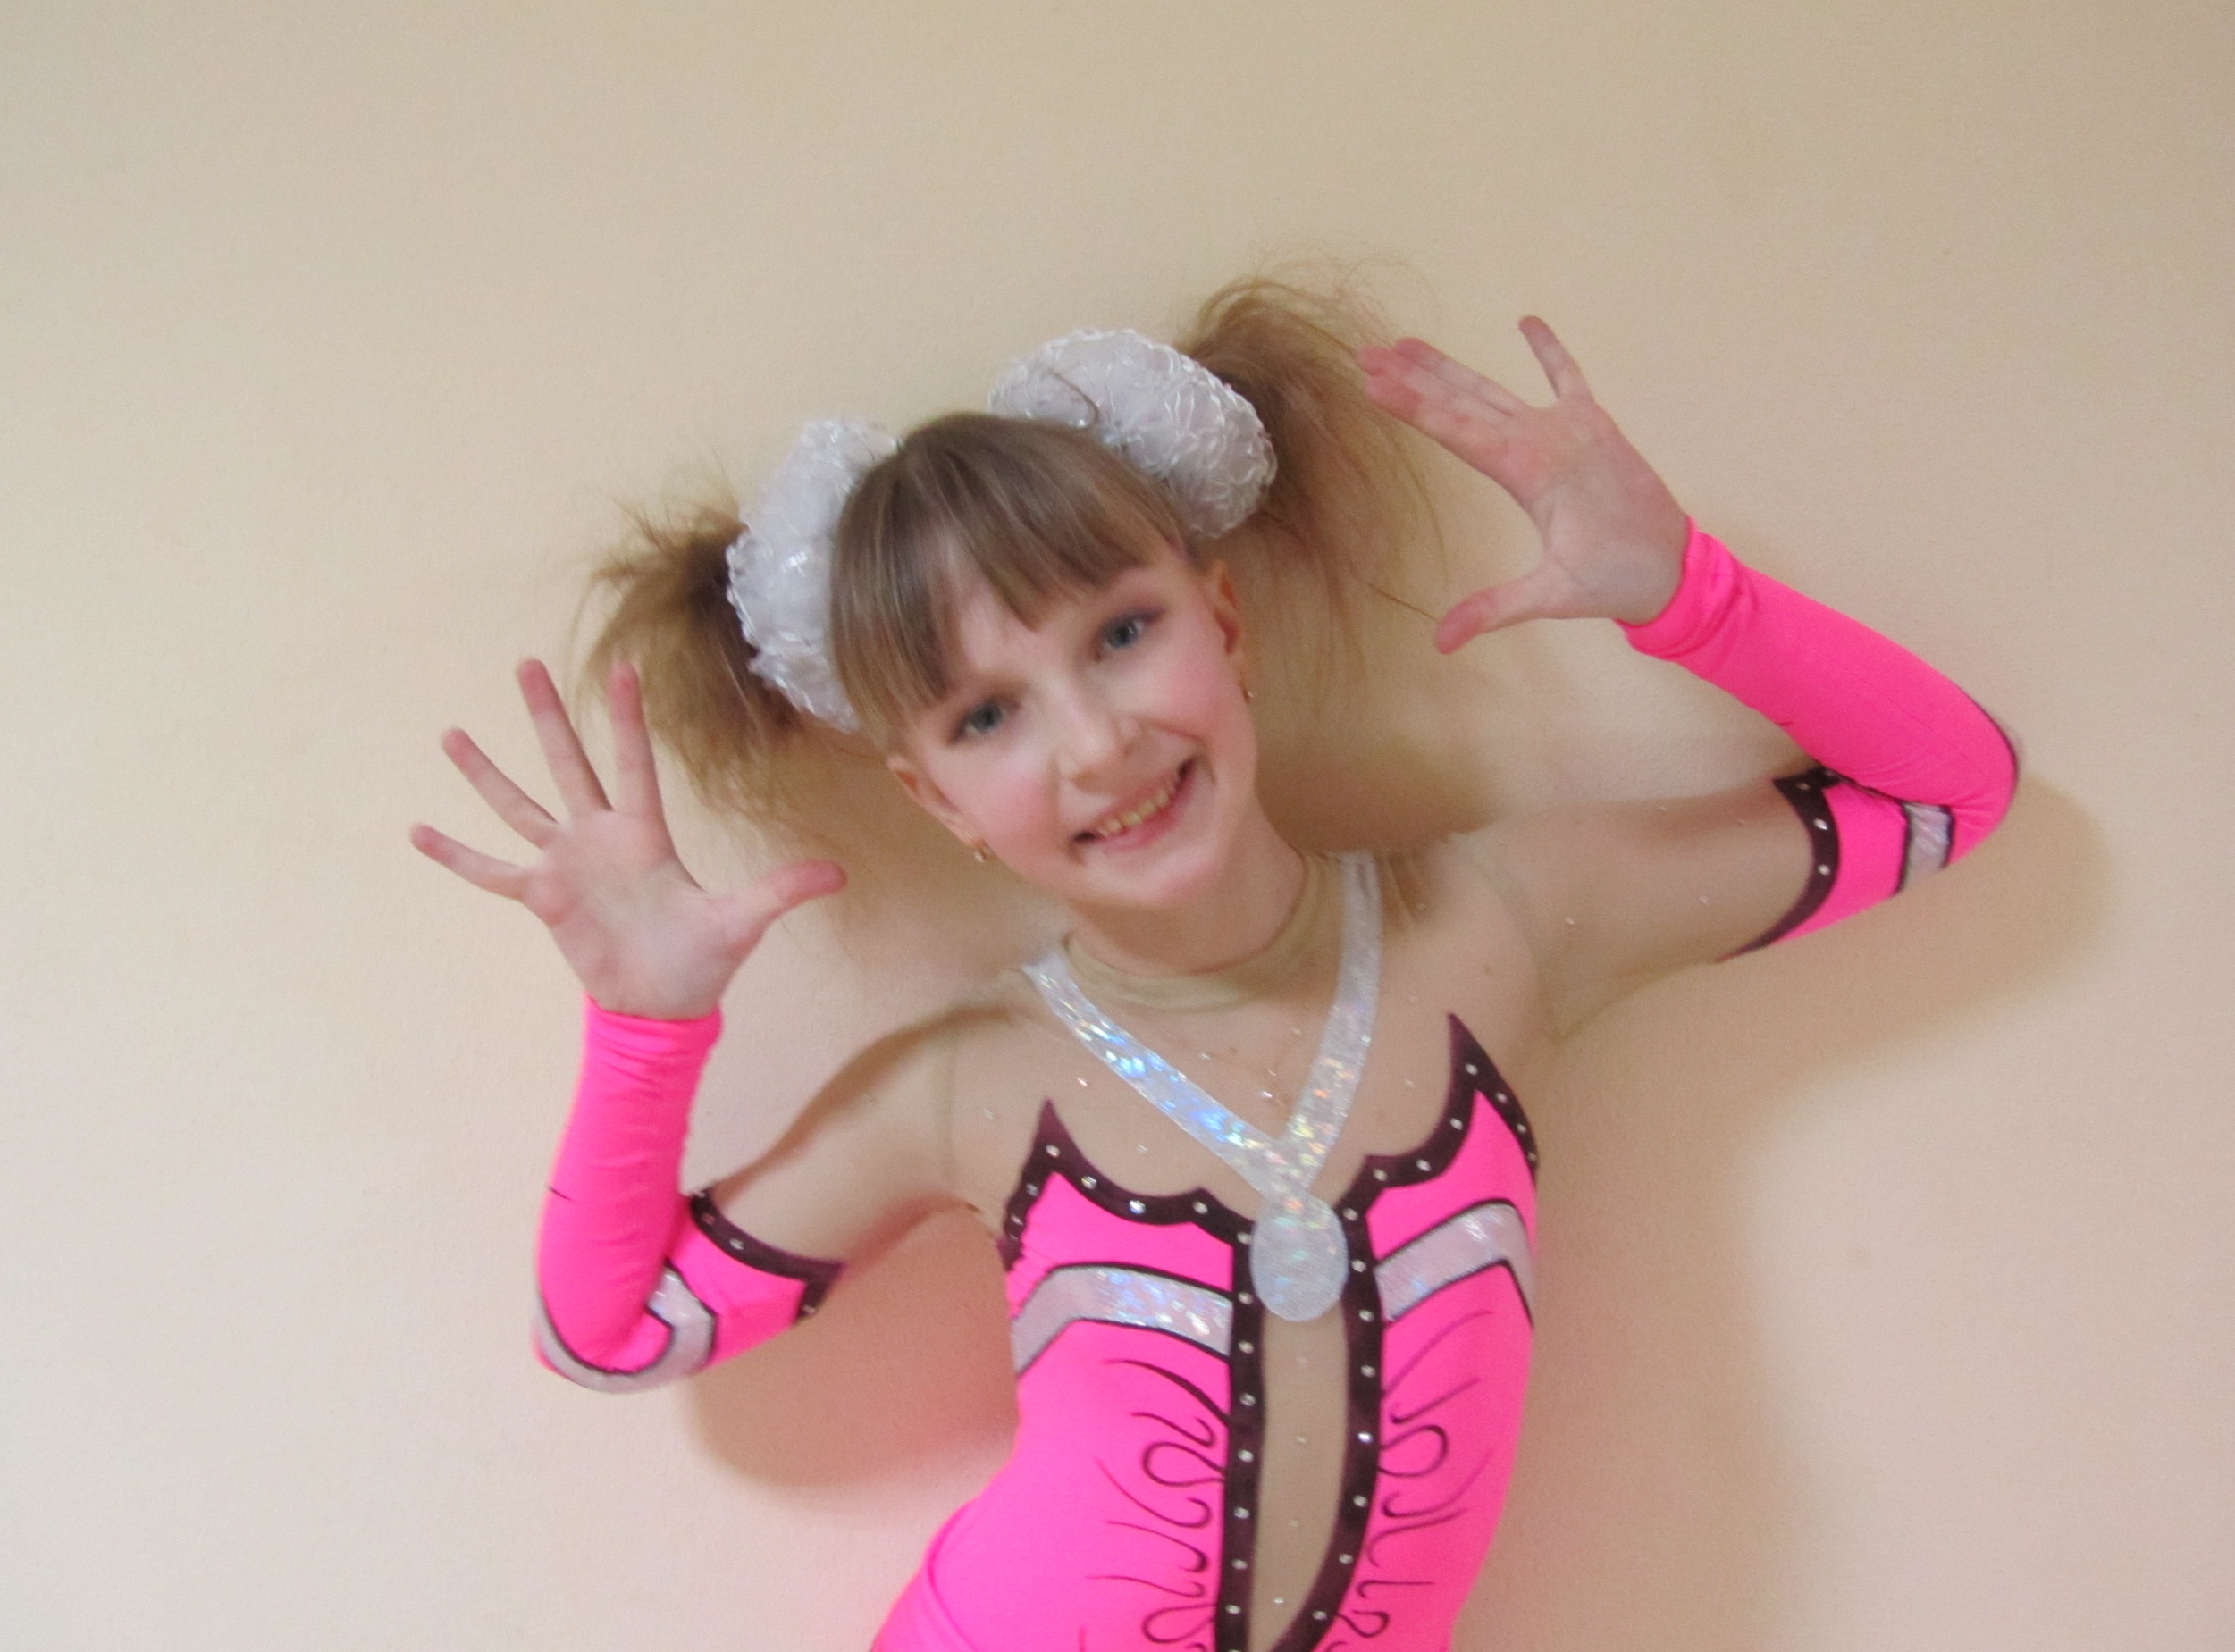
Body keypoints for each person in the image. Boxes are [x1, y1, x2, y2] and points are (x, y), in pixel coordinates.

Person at [412, 281, 2017, 1652]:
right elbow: (610, 1332)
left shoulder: (1504, 925)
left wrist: (1691, 597)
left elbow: (1949, 798)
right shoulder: (963, 1082)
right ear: (934, 797)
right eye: (988, 716)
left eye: (1122, 633)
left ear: (1224, 622)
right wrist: (644, 1029)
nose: (1096, 743)